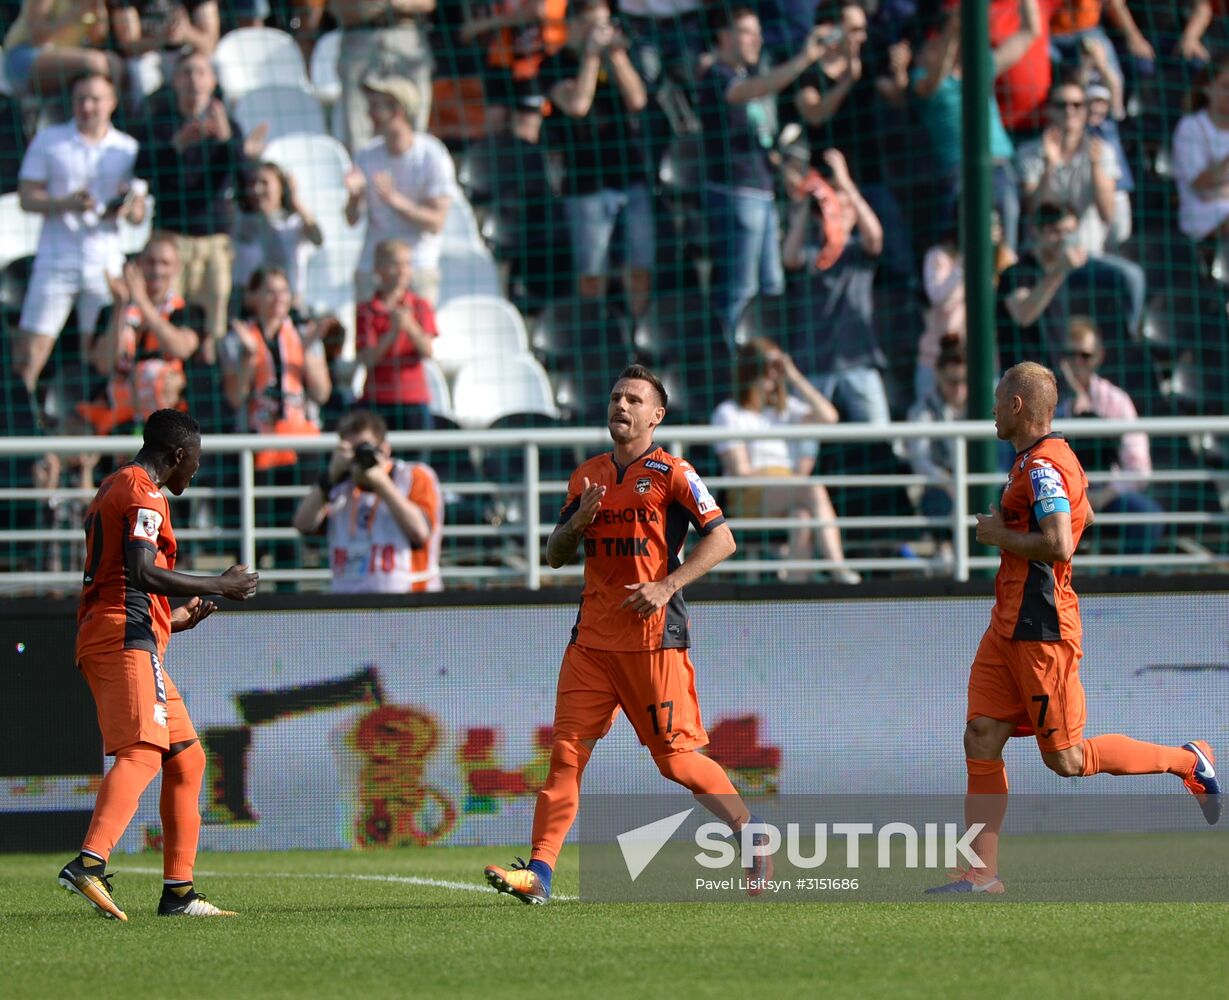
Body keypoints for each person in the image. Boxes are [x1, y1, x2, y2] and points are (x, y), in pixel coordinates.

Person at [926, 362, 1219, 895]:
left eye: (997, 398)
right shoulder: (1034, 463)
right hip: (1007, 624)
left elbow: (1060, 543)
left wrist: (996, 535)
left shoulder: (1043, 467)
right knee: (981, 735)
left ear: (1017, 405)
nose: (991, 408)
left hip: (1041, 629)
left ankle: (1188, 761)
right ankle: (980, 873)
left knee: (1066, 759)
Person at [483, 364, 770, 904]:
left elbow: (724, 541)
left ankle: (751, 832)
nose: (622, 405)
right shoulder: (586, 476)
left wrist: (667, 585)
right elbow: (555, 555)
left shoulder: (674, 473)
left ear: (656, 415)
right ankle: (539, 873)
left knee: (677, 763)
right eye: (617, 396)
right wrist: (576, 523)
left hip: (652, 640)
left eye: (635, 399)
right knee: (565, 755)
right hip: (591, 643)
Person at [59, 408, 259, 921]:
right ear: (175, 456)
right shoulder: (144, 493)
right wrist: (219, 583)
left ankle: (179, 893)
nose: (194, 470)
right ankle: (88, 862)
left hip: (130, 634)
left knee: (187, 759)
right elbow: (142, 571)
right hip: (123, 638)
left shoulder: (116, 486)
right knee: (144, 752)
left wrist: (176, 618)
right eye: (194, 461)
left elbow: (128, 576)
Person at [697, 6, 828, 341]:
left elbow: (758, 136)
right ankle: (736, 368)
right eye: (747, 31)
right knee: (743, 289)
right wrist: (804, 58)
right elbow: (753, 90)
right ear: (724, 37)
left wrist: (783, 168)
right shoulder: (717, 75)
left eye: (758, 31)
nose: (757, 39)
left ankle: (769, 362)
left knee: (772, 286)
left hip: (763, 193)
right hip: (736, 195)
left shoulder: (742, 76)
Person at [14, 70, 145, 397]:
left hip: (105, 263)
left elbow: (140, 211)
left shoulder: (128, 148)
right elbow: (27, 197)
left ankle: (99, 435)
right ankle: (22, 433)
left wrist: (127, 208)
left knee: (108, 357)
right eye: (81, 99)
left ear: (112, 103)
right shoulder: (50, 140)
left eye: (95, 99)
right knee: (30, 355)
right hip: (57, 259)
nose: (88, 107)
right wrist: (65, 203)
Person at [134, 51, 258, 360]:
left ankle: (207, 388)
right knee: (166, 321)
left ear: (212, 81)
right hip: (171, 239)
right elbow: (141, 170)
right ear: (175, 80)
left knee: (212, 333)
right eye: (187, 73)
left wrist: (230, 142)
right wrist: (176, 146)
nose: (194, 81)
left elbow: (247, 184)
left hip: (214, 242)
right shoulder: (159, 123)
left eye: (201, 73)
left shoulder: (230, 127)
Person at [538, 0, 655, 317]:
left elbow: (638, 100)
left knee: (640, 267)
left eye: (606, 24)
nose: (602, 33)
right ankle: (595, 334)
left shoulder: (616, 58)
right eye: (594, 25)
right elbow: (577, 106)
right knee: (592, 273)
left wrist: (615, 54)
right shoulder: (554, 64)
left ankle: (637, 338)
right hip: (585, 183)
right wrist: (590, 55)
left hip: (629, 176)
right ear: (574, 26)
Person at [712, 338, 860, 584]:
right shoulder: (729, 413)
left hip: (789, 489)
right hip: (749, 494)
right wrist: (788, 483)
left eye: (777, 367)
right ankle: (837, 566)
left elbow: (829, 417)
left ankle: (795, 592)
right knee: (811, 488)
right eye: (767, 366)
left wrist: (794, 376)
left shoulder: (787, 410)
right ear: (750, 369)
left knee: (801, 516)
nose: (773, 374)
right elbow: (741, 472)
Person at [782, 147, 891, 427]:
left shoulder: (859, 252)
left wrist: (845, 184)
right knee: (803, 448)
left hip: (859, 363)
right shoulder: (809, 254)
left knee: (881, 437)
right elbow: (789, 257)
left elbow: (875, 236)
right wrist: (808, 201)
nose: (840, 214)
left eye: (846, 209)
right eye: (833, 208)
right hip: (813, 365)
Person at [292, 409, 443, 592]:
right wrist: (330, 476)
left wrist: (381, 483)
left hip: (409, 602)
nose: (358, 459)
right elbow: (303, 524)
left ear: (385, 449)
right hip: (350, 607)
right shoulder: (338, 486)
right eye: (351, 451)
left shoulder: (412, 476)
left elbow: (420, 531)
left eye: (364, 449)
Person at [1057, 316, 1164, 562]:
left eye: (1084, 355)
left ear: (1098, 356)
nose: (1077, 362)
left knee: (1148, 518)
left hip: (1107, 497)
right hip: (1059, 501)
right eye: (1070, 355)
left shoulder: (1116, 401)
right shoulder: (1047, 402)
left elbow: (1139, 469)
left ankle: (1120, 590)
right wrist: (1071, 407)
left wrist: (1105, 494)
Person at [344, 76, 455, 307]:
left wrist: (394, 200)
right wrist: (354, 197)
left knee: (417, 340)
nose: (369, 113)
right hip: (373, 266)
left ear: (398, 111)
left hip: (416, 267)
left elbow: (436, 223)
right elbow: (351, 219)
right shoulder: (367, 155)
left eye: (376, 106)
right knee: (368, 342)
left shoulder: (431, 155)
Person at [80, 232, 202, 435]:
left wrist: (142, 301)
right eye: (150, 262)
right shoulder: (112, 311)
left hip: (170, 424)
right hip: (118, 419)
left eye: (165, 263)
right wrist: (121, 306)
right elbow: (104, 364)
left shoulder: (188, 311)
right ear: (138, 265)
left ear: (177, 268)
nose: (157, 270)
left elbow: (181, 348)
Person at [355, 238, 439, 432]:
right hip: (377, 399)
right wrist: (392, 332)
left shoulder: (420, 306)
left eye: (407, 264)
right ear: (379, 269)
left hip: (413, 399)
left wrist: (410, 327)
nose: (402, 270)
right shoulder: (366, 311)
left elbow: (428, 351)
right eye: (395, 264)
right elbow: (367, 359)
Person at [328, 0, 435, 150]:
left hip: (406, 33)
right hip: (359, 36)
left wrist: (389, 3)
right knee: (357, 124)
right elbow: (340, 9)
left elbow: (427, 4)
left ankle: (414, 166)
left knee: (416, 119)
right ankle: (364, 169)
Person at [233, 160, 324, 316]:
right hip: (247, 308)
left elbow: (317, 239)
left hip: (286, 306)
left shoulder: (293, 223)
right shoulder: (238, 221)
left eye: (264, 183)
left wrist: (296, 202)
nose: (257, 189)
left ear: (281, 188)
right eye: (253, 183)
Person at [3, 0, 125, 99]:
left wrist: (99, 8)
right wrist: (77, 12)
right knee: (95, 63)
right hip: (23, 57)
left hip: (64, 63)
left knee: (113, 65)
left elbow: (97, 39)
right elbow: (37, 36)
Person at [1172, 57, 1229, 253]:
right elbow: (1199, 185)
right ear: (1207, 88)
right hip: (1201, 216)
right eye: (1226, 87)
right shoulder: (1191, 127)